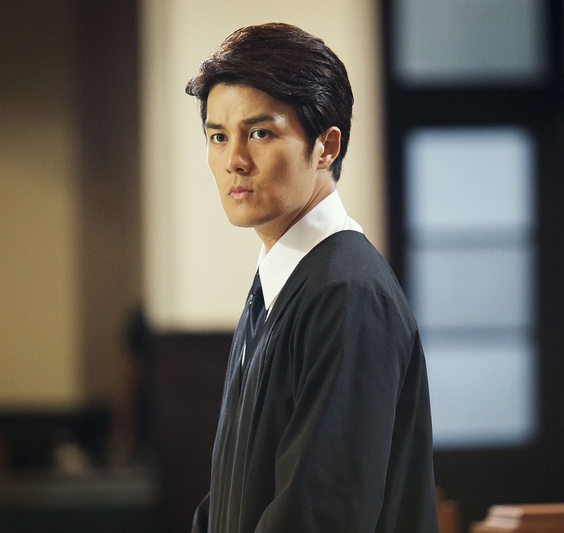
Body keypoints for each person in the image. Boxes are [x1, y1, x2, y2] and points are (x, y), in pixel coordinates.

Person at [185, 23, 438, 533]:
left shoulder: (346, 293)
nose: (234, 160)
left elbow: (320, 514)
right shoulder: (279, 282)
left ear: (326, 147)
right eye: (218, 136)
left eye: (260, 133)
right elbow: (234, 497)